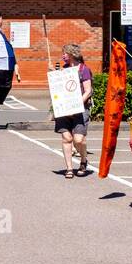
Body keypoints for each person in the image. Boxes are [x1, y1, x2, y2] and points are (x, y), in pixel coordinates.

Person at [51, 43, 94, 177]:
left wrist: (76, 105)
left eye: (65, 53)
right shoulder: (64, 70)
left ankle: (83, 159)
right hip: (64, 110)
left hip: (80, 109)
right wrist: (53, 74)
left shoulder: (83, 70)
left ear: (71, 54)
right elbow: (59, 88)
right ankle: (69, 168)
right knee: (66, 137)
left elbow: (88, 91)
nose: (63, 56)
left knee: (78, 139)